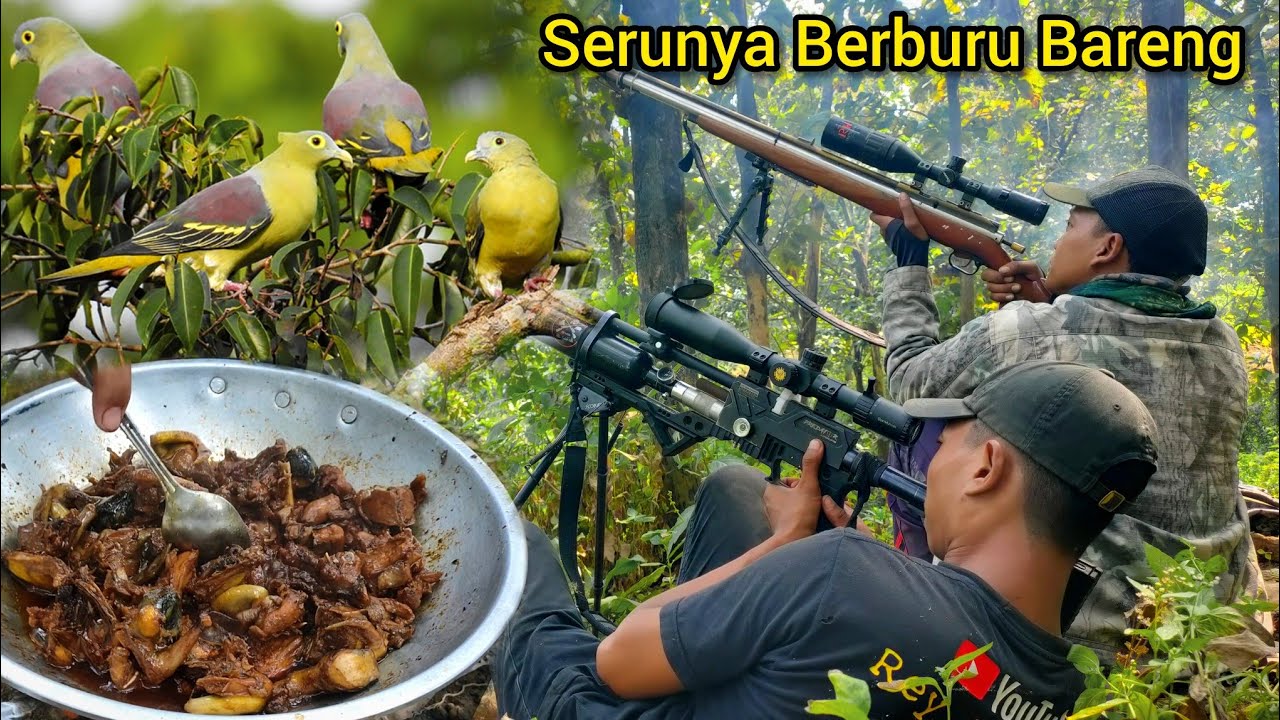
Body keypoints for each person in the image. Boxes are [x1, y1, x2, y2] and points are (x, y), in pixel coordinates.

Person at [493, 361, 1158, 720]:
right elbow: (956, 657)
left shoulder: (841, 572)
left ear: (986, 469)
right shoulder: (1065, 693)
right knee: (735, 489)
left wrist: (787, 545)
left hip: (608, 696)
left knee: (515, 548)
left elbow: (620, 659)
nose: (933, 465)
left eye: (948, 446)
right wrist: (882, 572)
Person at [873, 165, 1261, 660]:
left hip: (1092, 629)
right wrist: (1056, 299)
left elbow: (908, 380)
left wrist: (909, 266)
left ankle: (929, 577)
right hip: (1210, 620)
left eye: (1071, 225)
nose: (1058, 241)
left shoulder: (1031, 331)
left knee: (932, 435)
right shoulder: (1223, 344)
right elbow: (1120, 332)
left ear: (1107, 248)